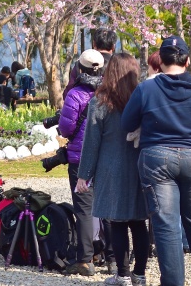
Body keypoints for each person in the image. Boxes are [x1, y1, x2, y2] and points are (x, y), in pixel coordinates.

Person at [121, 35, 191, 286]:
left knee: (166, 226)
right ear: (187, 61)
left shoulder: (146, 89)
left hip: (156, 157)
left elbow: (127, 123)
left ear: (161, 60)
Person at [77, 53, 149, 286]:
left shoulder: (100, 102)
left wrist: (83, 175)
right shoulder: (143, 98)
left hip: (111, 169)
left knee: (117, 223)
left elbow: (91, 143)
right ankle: (139, 274)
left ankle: (123, 275)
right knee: (138, 222)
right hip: (139, 167)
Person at [59, 48, 106, 276]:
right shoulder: (109, 92)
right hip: (105, 157)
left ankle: (86, 259)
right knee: (107, 206)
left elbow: (66, 129)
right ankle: (112, 256)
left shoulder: (75, 94)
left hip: (79, 159)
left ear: (79, 68)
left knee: (84, 210)